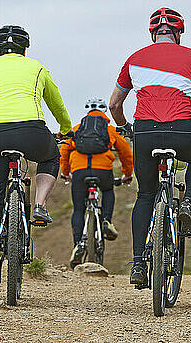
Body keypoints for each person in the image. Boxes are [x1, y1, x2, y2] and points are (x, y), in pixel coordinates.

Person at [108, 7, 191, 285]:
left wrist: (125, 128)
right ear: (179, 33)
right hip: (182, 130)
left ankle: (139, 263)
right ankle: (188, 203)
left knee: (145, 196)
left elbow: (114, 104)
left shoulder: (134, 59)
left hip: (145, 133)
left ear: (153, 33)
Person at [0, 25, 72, 285]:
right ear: (25, 49)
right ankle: (39, 206)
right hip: (32, 131)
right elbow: (57, 105)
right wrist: (65, 130)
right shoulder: (38, 68)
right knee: (50, 157)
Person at [60, 98, 133, 269]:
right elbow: (126, 153)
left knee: (78, 209)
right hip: (103, 171)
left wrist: (65, 172)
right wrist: (127, 175)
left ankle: (78, 243)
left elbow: (64, 150)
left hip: (79, 172)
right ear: (104, 113)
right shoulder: (110, 129)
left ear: (87, 113)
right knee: (107, 191)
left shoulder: (77, 129)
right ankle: (106, 220)